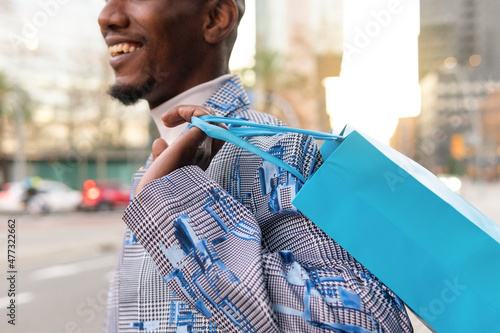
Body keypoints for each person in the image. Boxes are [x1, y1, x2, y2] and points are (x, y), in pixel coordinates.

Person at [98, 0, 414, 332]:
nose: (108, 16)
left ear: (216, 18)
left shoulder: (270, 147)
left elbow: (369, 321)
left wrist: (181, 212)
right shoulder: (162, 157)